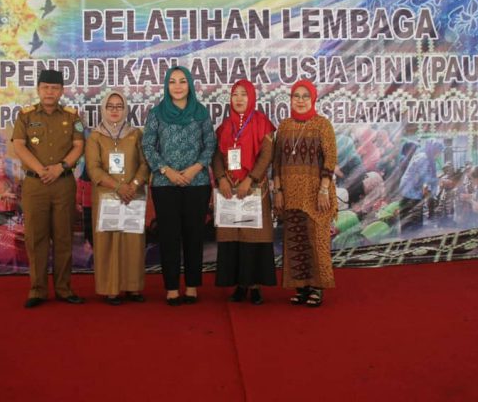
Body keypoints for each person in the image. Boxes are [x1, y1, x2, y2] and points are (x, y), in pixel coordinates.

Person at [11, 69, 85, 308]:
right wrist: (42, 170)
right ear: (38, 89)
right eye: (45, 87)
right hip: (35, 184)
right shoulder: (25, 116)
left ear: (62, 91)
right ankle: (38, 290)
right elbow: (19, 145)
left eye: (54, 88)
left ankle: (64, 288)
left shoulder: (72, 116)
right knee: (36, 238)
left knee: (63, 237)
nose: (49, 92)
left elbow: (78, 145)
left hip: (63, 183)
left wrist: (60, 167)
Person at [142, 66, 215, 306]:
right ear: (166, 85)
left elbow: (210, 145)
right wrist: (167, 170)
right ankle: (172, 287)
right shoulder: (157, 113)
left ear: (190, 84)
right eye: (172, 81)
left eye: (182, 81)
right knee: (169, 236)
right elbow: (148, 145)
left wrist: (195, 169)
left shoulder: (201, 112)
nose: (178, 86)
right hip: (165, 184)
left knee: (194, 236)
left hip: (197, 183)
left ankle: (192, 286)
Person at [272, 80, 337, 308]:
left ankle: (317, 288)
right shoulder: (284, 126)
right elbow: (277, 162)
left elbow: (330, 158)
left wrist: (324, 189)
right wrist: (278, 190)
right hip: (290, 193)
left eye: (305, 96)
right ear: (290, 99)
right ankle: (302, 287)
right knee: (296, 239)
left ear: (313, 99)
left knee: (316, 239)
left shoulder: (322, 125)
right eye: (296, 96)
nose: (300, 101)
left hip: (315, 193)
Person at [213, 80, 277, 305]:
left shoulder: (262, 123)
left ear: (252, 97)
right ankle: (240, 285)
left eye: (244, 94)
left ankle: (255, 287)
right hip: (229, 190)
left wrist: (250, 179)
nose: (239, 98)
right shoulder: (224, 126)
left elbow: (267, 155)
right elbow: (216, 156)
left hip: (254, 189)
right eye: (235, 94)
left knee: (253, 237)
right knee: (235, 237)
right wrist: (221, 178)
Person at [85, 91, 150, 305]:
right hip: (106, 197)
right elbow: (94, 169)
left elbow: (145, 164)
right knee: (108, 242)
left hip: (132, 196)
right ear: (103, 109)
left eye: (119, 106)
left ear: (125, 109)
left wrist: (134, 185)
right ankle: (110, 289)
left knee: (133, 241)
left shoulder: (136, 134)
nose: (114, 110)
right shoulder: (95, 137)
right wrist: (119, 187)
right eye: (110, 106)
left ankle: (132, 287)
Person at [398, 139, 444, 233]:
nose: (440, 154)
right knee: (413, 220)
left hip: (409, 190)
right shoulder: (424, 159)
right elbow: (422, 177)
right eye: (439, 151)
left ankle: (409, 236)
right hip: (411, 192)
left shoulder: (424, 156)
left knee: (409, 217)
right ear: (435, 150)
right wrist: (435, 182)